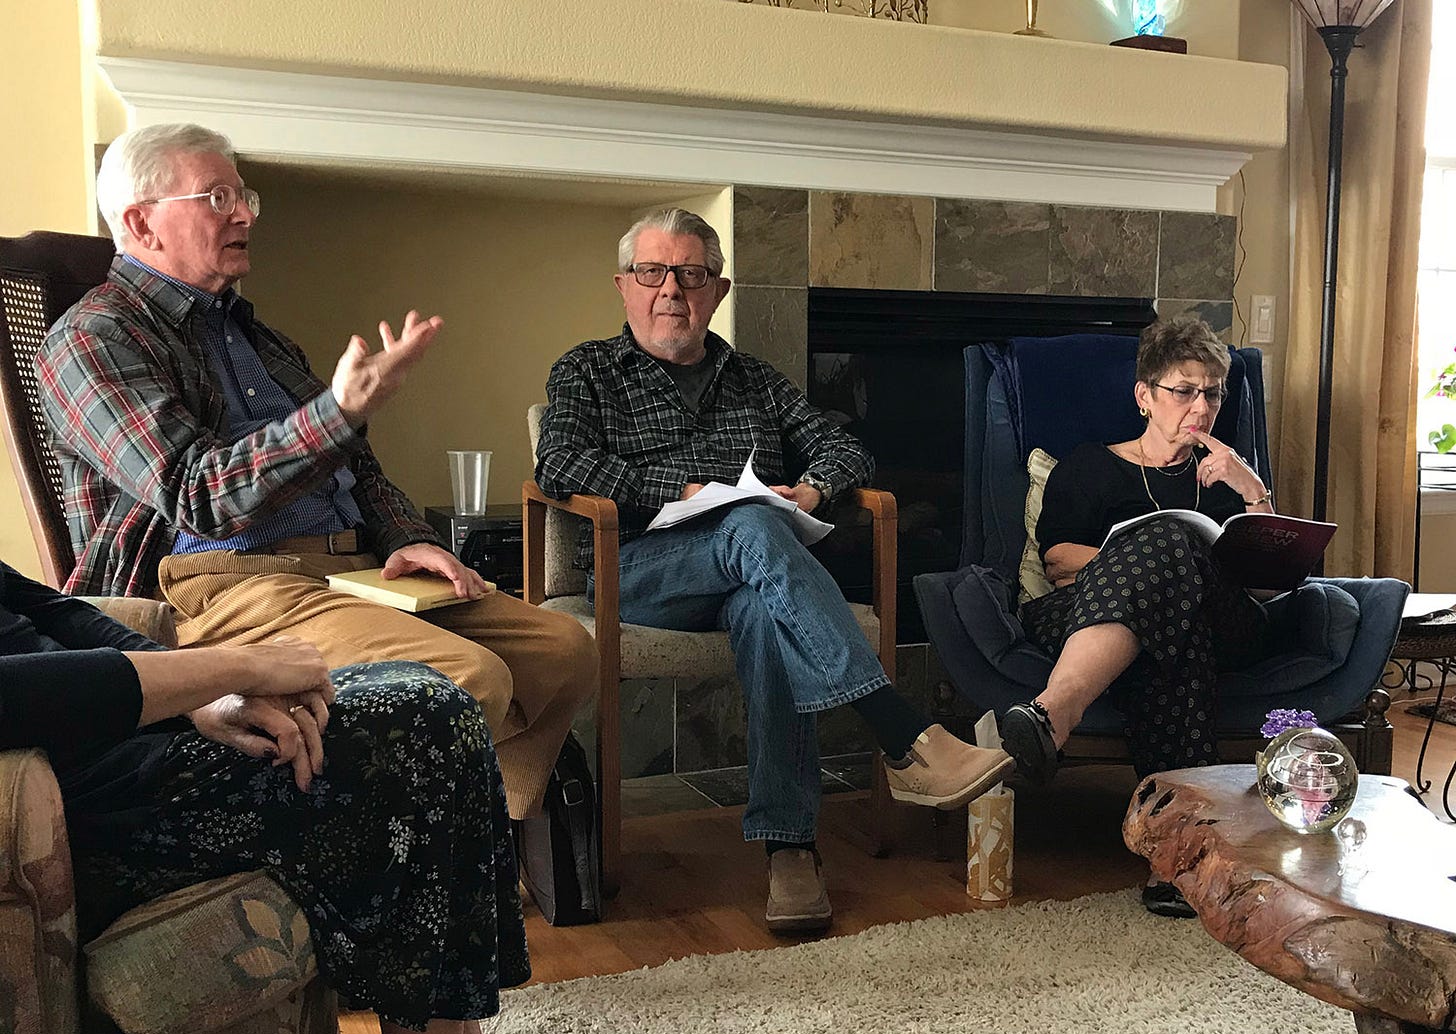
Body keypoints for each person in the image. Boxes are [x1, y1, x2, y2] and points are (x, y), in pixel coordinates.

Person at [36, 122, 596, 820]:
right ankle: (393, 849)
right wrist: (336, 411)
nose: (242, 213)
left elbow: (354, 460)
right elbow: (196, 493)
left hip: (348, 573)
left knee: (564, 649)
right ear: (141, 222)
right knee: (466, 678)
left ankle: (480, 835)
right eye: (216, 196)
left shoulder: (258, 337)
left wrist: (403, 536)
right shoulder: (92, 339)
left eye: (244, 196)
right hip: (220, 588)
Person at [534, 208, 1013, 934]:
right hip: (637, 572)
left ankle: (789, 847)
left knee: (765, 605)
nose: (672, 290)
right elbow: (559, 461)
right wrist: (681, 490)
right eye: (653, 272)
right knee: (751, 524)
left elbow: (846, 449)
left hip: (749, 577)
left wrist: (814, 488)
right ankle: (904, 735)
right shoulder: (587, 370)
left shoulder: (754, 378)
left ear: (717, 290)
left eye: (691, 275)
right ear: (624, 285)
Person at [0, 561, 531, 1034]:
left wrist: (198, 699)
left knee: (431, 695)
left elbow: (54, 612)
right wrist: (232, 667)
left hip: (138, 728)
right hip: (60, 796)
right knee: (421, 721)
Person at [999, 315, 1278, 917]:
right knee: (1171, 628)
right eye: (1185, 390)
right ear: (1144, 395)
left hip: (1225, 618)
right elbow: (1057, 560)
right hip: (1088, 614)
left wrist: (1251, 489)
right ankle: (1176, 861)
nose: (1201, 406)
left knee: (1170, 554)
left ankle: (1052, 715)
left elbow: (1266, 578)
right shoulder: (1090, 466)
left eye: (1213, 392)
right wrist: (1143, 569)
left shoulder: (1230, 472)